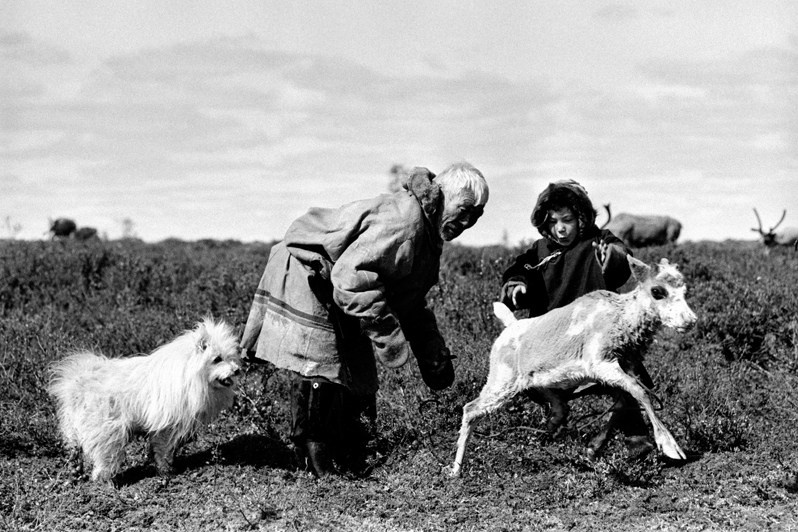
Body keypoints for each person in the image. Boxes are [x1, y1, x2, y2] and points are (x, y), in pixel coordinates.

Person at [241, 163, 489, 476]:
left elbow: (409, 299)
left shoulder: (427, 232)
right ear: (440, 198)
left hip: (335, 280)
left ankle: (349, 447)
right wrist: (388, 334)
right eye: (463, 209)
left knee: (359, 373)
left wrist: (431, 351)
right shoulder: (404, 225)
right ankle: (314, 454)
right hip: (308, 269)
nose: (467, 221)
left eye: (476, 215)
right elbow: (349, 279)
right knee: (324, 363)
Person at [499, 179, 655, 459]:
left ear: (581, 219)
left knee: (621, 378)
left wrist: (612, 257)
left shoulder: (598, 242)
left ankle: (637, 439)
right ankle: (556, 420)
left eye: (568, 220)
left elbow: (620, 257)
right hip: (553, 339)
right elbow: (519, 270)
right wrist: (518, 286)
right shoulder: (539, 251)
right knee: (531, 377)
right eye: (554, 220)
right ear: (544, 222)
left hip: (594, 337)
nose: (561, 227)